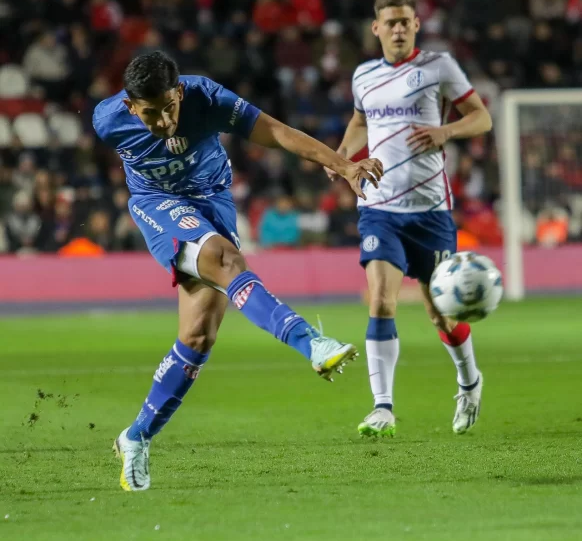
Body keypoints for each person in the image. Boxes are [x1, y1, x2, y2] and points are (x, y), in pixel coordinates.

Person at [93, 50, 383, 491]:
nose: (163, 122)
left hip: (213, 201)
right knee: (227, 261)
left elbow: (277, 133)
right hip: (157, 205)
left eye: (169, 108)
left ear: (180, 93)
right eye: (149, 114)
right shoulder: (107, 120)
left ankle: (135, 438)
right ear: (131, 107)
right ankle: (312, 343)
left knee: (197, 336)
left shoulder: (207, 97)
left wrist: (344, 166)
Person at [326, 0, 492, 438]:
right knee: (381, 299)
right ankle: (382, 407)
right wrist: (343, 158)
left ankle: (469, 381)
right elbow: (361, 121)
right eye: (390, 22)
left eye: (405, 21)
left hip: (431, 211)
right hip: (379, 207)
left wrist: (446, 130)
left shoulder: (438, 67)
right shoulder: (363, 75)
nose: (398, 29)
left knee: (442, 314)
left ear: (416, 25)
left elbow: (481, 118)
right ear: (376, 29)